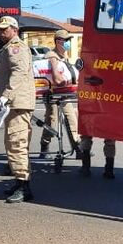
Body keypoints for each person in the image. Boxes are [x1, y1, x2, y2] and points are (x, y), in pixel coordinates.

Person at [0, 16, 34, 203]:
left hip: (17, 102)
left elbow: (19, 71)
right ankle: (19, 181)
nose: (1, 33)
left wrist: (6, 95)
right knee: (12, 143)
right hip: (14, 103)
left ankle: (24, 186)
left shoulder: (16, 48)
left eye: (4, 29)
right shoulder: (8, 48)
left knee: (17, 143)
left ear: (14, 29)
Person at [38, 29, 80, 158]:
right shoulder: (52, 55)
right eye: (66, 41)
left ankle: (77, 147)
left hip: (64, 93)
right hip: (51, 93)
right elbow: (56, 77)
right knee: (52, 119)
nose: (68, 43)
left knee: (71, 118)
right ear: (58, 42)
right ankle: (44, 146)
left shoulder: (65, 56)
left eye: (69, 40)